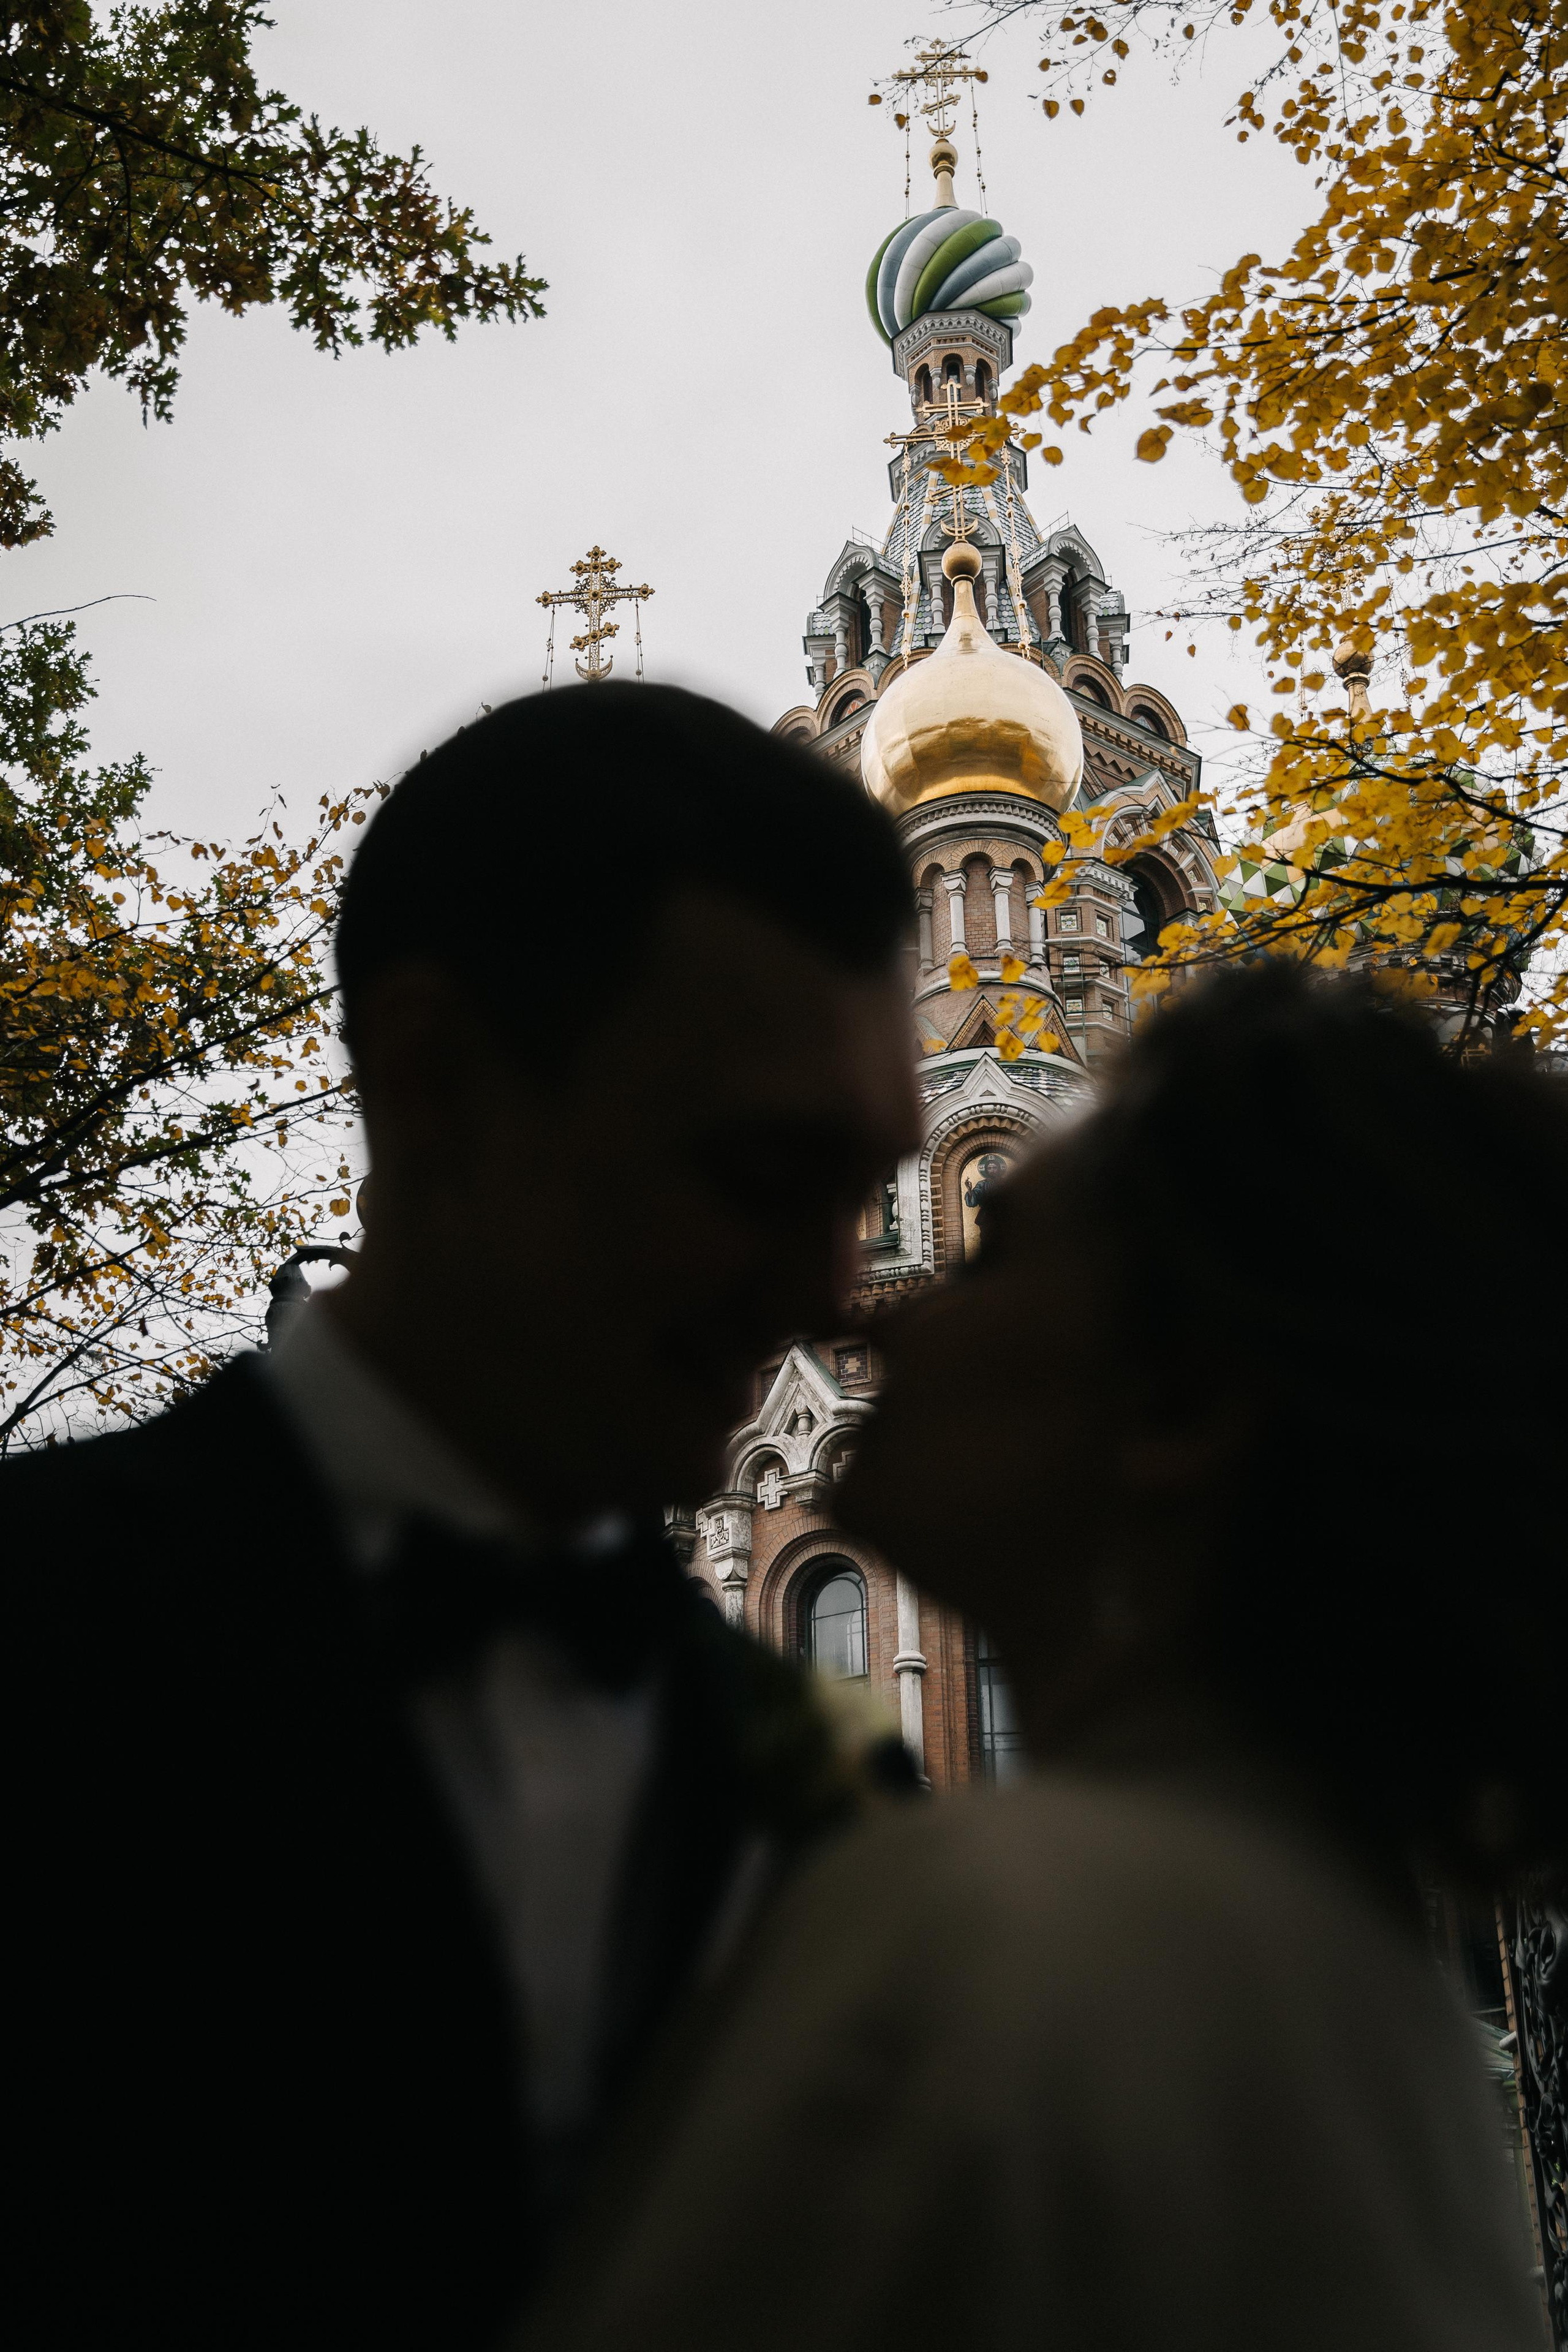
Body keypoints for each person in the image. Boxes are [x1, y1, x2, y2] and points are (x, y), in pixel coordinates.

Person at [5, 683, 920, 2352]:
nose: (834, 1292)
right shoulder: (40, 1620)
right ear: (435, 1081)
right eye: (754, 1171)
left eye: (866, 1188)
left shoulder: (836, 1813)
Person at [519, 962, 1564, 2352]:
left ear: (1178, 1404)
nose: (866, 1311)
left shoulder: (983, 1929)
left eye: (993, 1253)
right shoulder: (1359, 1987)